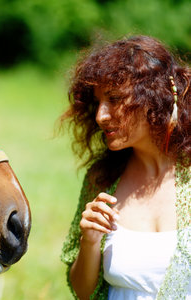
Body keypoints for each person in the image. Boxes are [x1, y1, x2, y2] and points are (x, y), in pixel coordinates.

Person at [60, 35, 190, 300]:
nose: (100, 116)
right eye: (97, 102)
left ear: (156, 99)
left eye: (115, 98)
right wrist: (90, 241)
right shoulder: (102, 180)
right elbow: (82, 292)